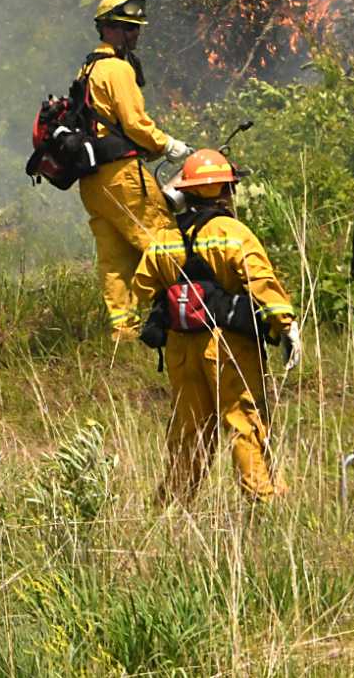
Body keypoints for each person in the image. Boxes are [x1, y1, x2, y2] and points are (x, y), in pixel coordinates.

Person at [129, 149, 301, 503]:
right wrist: (286, 325)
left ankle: (173, 505)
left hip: (180, 349)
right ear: (224, 190)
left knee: (190, 430)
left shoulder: (164, 238)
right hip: (227, 347)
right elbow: (262, 282)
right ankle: (263, 501)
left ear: (187, 191)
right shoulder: (232, 232)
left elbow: (141, 288)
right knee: (244, 421)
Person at [76, 0, 192, 336]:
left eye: (136, 28)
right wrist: (168, 145)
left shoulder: (88, 67)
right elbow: (134, 123)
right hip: (121, 177)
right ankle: (185, 314)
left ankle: (123, 331)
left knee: (115, 259)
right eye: (127, 28)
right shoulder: (117, 69)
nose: (134, 35)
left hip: (94, 181)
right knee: (164, 240)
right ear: (107, 29)